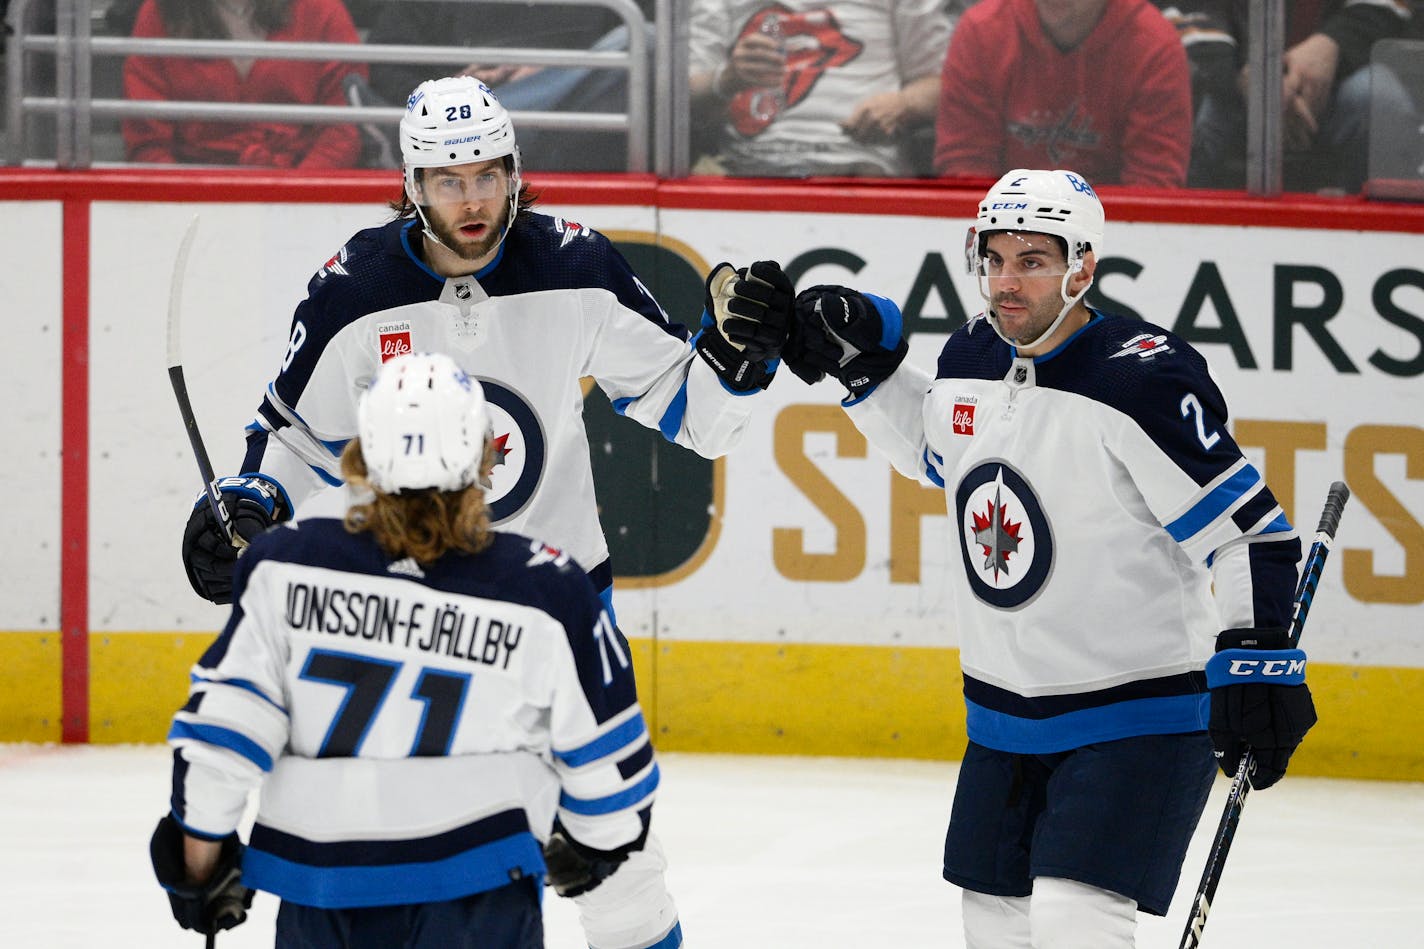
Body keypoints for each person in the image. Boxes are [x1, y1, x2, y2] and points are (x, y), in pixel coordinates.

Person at [178, 75, 794, 948]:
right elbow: (293, 441)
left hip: (554, 598)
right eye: (447, 179)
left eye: (488, 173)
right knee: (418, 837)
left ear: (514, 170)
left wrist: (732, 362)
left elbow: (689, 410)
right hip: (405, 604)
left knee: (621, 875)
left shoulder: (576, 264)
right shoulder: (352, 289)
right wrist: (252, 504)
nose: (472, 198)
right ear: (412, 185)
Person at [780, 168, 1317, 947]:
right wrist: (864, 370)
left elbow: (1248, 533)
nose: (1006, 281)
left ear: (1082, 267)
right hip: (1003, 717)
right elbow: (940, 455)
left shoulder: (1142, 377)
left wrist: (1255, 658)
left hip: (1137, 715)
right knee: (994, 923)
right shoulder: (969, 354)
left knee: (1074, 916)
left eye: (1031, 260)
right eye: (994, 258)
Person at [151, 351, 669, 948]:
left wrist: (200, 870)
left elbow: (222, 736)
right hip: (480, 904)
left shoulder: (284, 565)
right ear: (486, 460)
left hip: (323, 902)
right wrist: (592, 849)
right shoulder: (546, 589)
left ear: (360, 456)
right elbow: (611, 768)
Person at [364, 0, 655, 172]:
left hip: (574, 137)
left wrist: (547, 74)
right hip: (462, 134)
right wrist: (459, 87)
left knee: (644, 40)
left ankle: (457, 128)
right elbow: (384, 67)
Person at [933, 0, 1193, 187]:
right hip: (1000, 230)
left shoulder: (1154, 46)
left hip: (1113, 233)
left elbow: (1151, 187)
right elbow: (965, 171)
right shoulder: (982, 31)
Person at [687, 0, 952, 177]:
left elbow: (949, 86)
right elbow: (678, 101)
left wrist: (903, 103)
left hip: (865, 168)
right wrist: (726, 80)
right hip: (742, 170)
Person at [1188, 0, 1419, 192]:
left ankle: (1372, 232)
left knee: (1380, 102)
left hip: (1336, 76)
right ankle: (1185, 234)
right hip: (1229, 75)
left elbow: (1390, 5)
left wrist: (1332, 43)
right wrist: (1244, 74)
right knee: (1199, 108)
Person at [121, 0, 365, 167]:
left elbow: (343, 131)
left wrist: (295, 196)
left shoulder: (321, 10)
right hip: (188, 198)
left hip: (303, 195)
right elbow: (146, 140)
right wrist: (188, 199)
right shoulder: (159, 12)